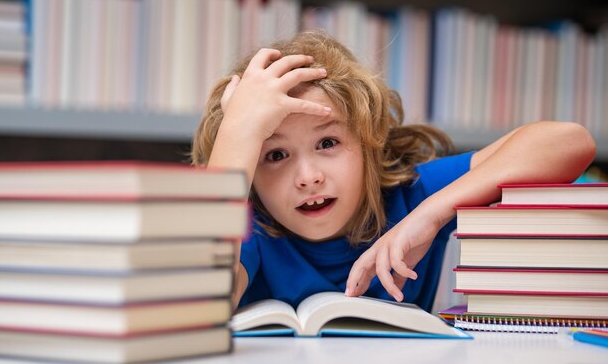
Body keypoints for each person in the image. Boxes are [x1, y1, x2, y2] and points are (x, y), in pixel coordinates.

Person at [192, 30, 596, 312]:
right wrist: (238, 133)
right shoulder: (245, 227)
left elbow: (569, 142)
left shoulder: (411, 196)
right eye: (274, 155)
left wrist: (431, 215)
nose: (308, 176)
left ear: (370, 144)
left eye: (328, 143)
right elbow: (195, 309)